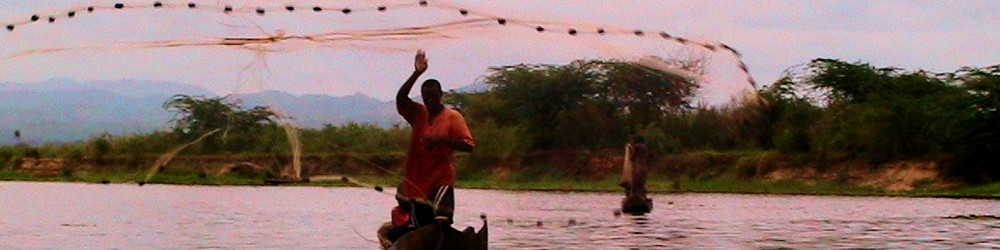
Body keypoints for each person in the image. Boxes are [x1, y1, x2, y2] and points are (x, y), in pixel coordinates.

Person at [386, 50, 475, 243]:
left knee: (441, 223)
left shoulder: (453, 117)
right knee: (420, 229)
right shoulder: (418, 113)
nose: (429, 101)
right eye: (426, 98)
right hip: (416, 182)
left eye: (433, 97)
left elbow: (468, 145)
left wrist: (443, 139)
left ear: (441, 95)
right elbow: (401, 99)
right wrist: (416, 73)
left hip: (441, 178)